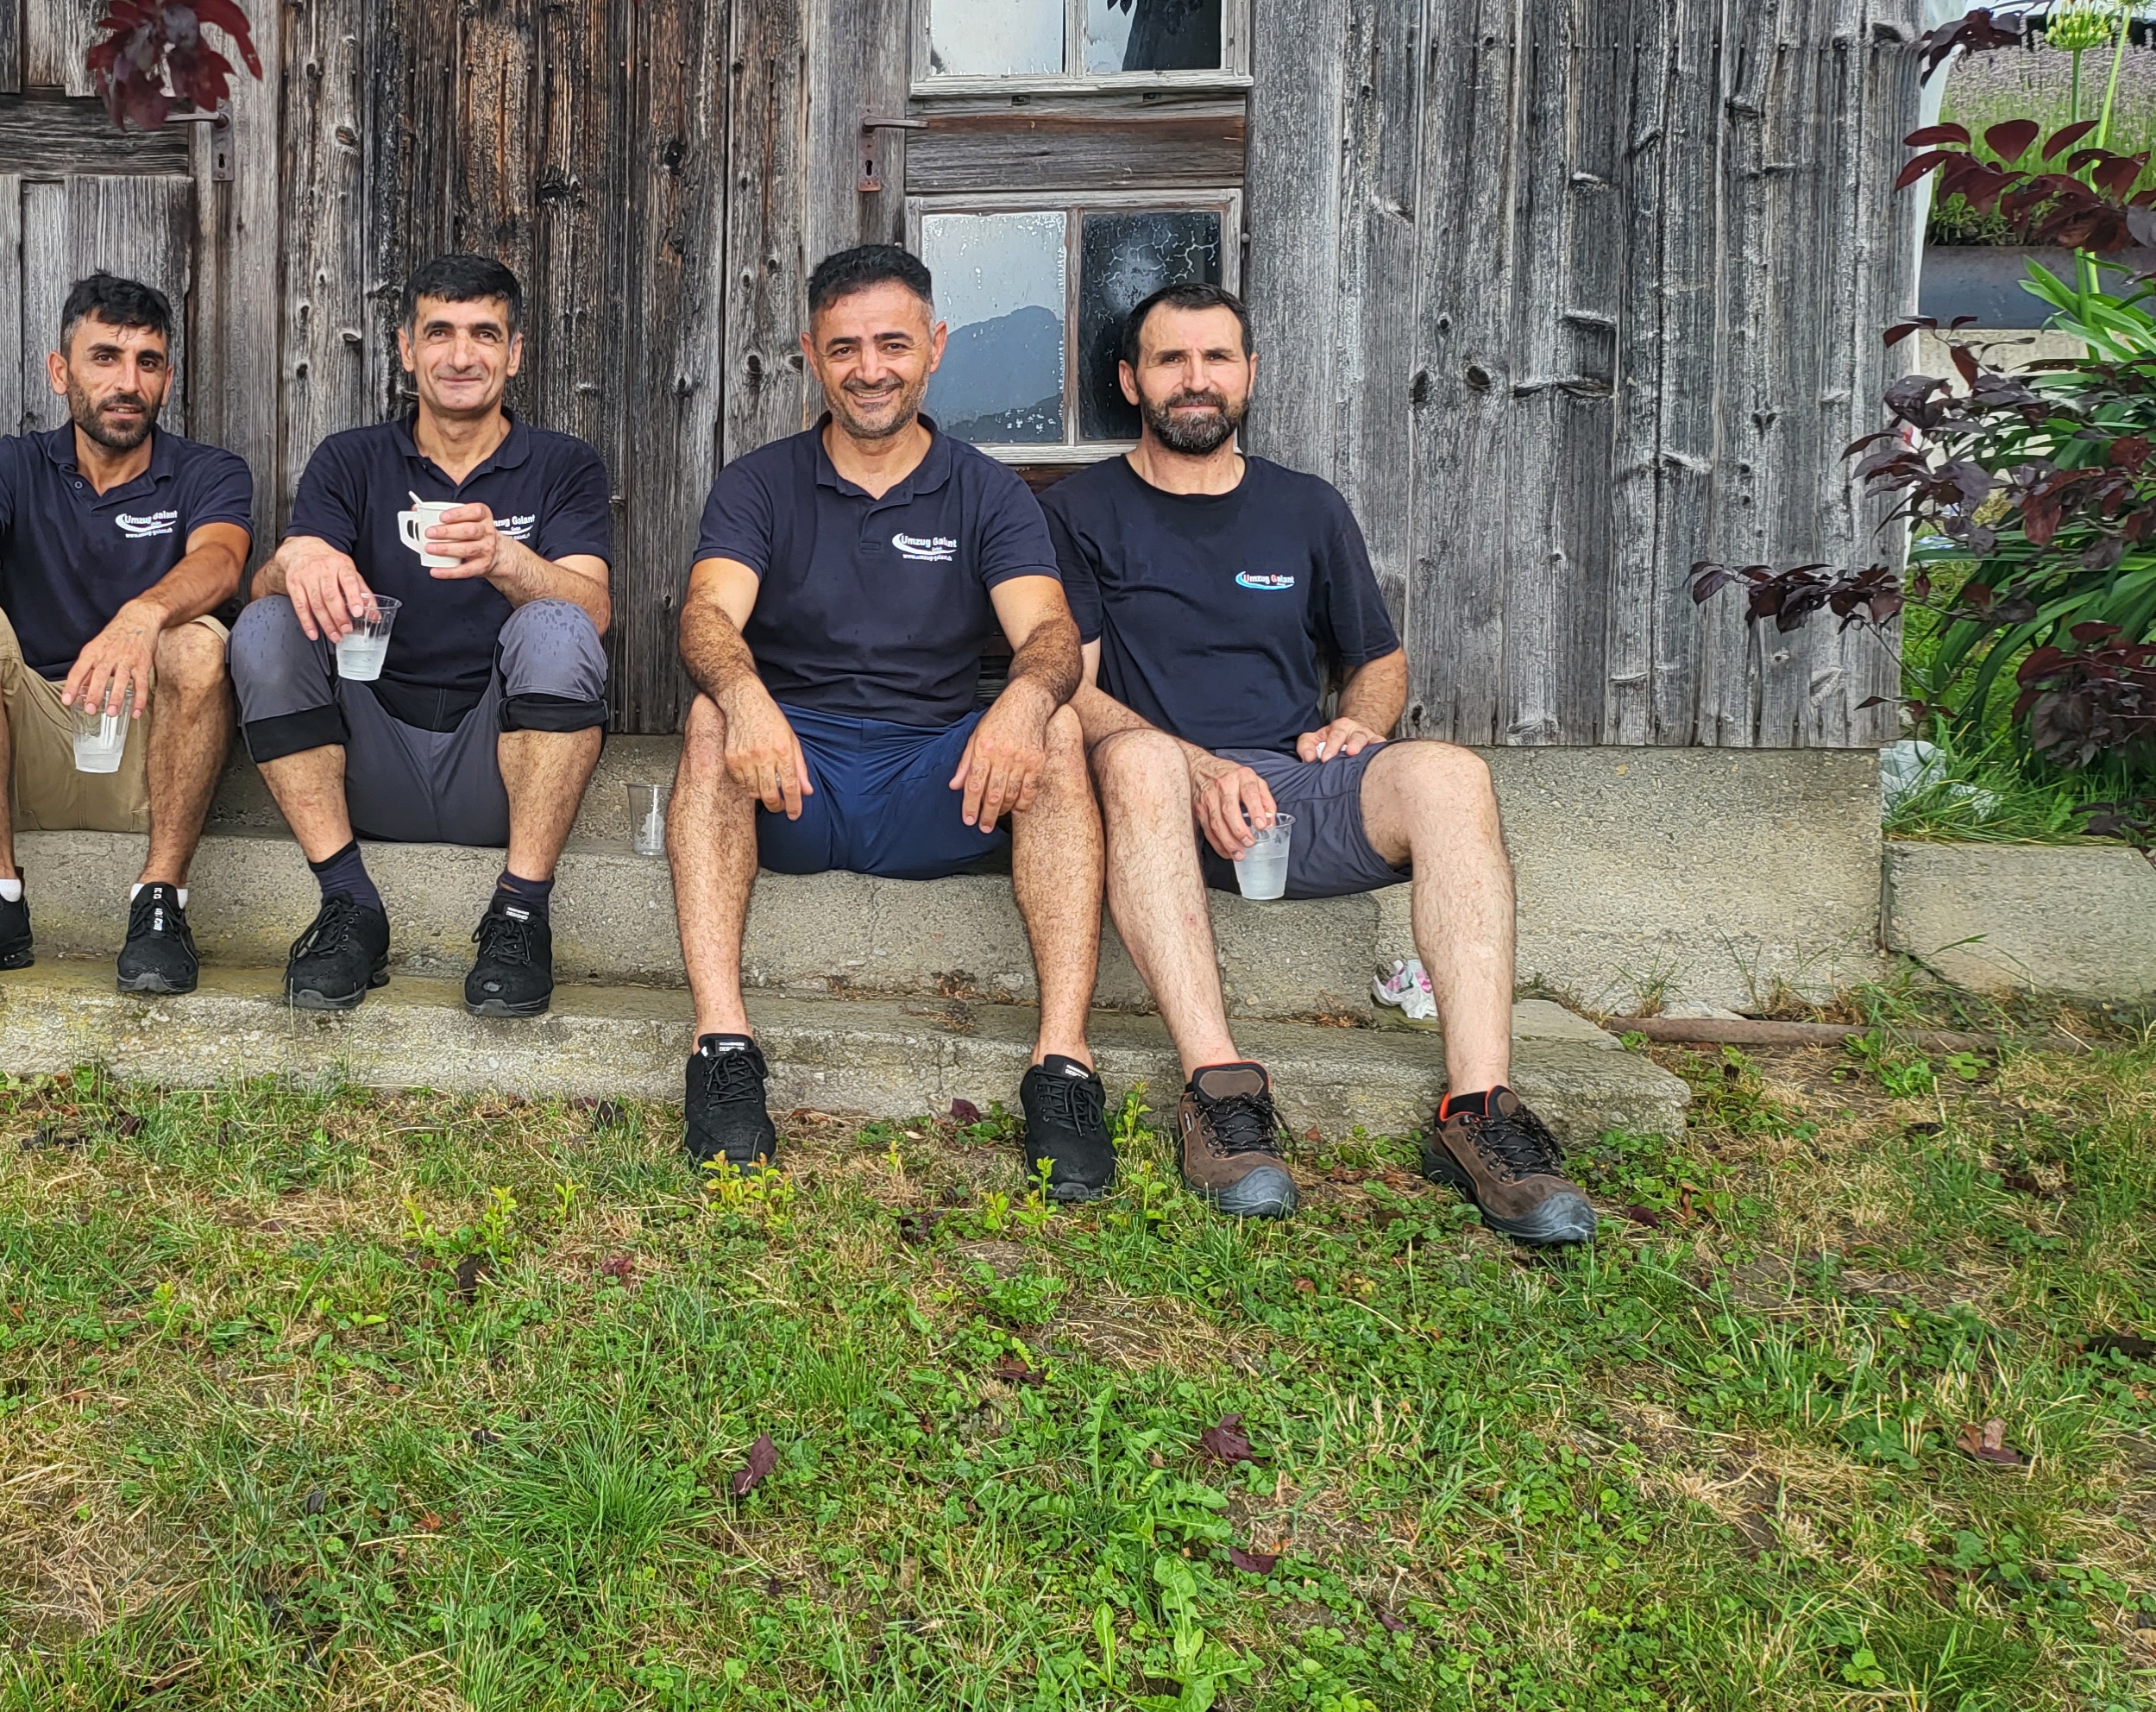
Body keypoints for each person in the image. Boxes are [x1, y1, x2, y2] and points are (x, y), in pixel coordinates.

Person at [1045, 281, 1596, 1246]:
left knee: (1449, 774)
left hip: (1292, 791)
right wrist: (1203, 769)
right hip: (1155, 791)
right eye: (1171, 361)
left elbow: (1377, 659)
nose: (1196, 381)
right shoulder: (1082, 510)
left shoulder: (1305, 507)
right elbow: (1072, 688)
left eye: (1217, 359)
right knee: (1133, 761)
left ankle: (1481, 1112)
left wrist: (1361, 723)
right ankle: (1219, 1096)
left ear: (1248, 375)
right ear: (1131, 382)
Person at [671, 242, 1108, 1183]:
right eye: (846, 348)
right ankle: (723, 1053)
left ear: (936, 347)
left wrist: (1025, 699)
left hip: (934, 783)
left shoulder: (985, 490)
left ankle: (1063, 1069)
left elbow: (1051, 635)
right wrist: (746, 695)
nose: (871, 370)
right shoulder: (761, 483)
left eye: (894, 344)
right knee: (712, 716)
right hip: (794, 778)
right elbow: (707, 614)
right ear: (810, 352)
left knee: (1059, 726)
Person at [229, 251, 613, 1015]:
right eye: (439, 332)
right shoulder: (353, 459)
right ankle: (347, 905)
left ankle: (518, 914)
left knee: (558, 625)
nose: (461, 355)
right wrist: (293, 555)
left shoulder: (563, 464)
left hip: (498, 761)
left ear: (515, 352)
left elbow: (594, 611)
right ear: (406, 349)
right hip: (368, 750)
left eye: (484, 333)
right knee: (266, 620)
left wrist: (507, 557)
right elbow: (267, 593)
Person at [0, 271, 253, 992]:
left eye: (147, 363)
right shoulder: (13, 465)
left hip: (152, 747)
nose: (127, 382)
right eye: (105, 357)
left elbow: (221, 561)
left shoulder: (208, 471)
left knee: (199, 637)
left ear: (167, 381)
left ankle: (161, 901)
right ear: (61, 371)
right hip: (35, 745)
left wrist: (142, 617)